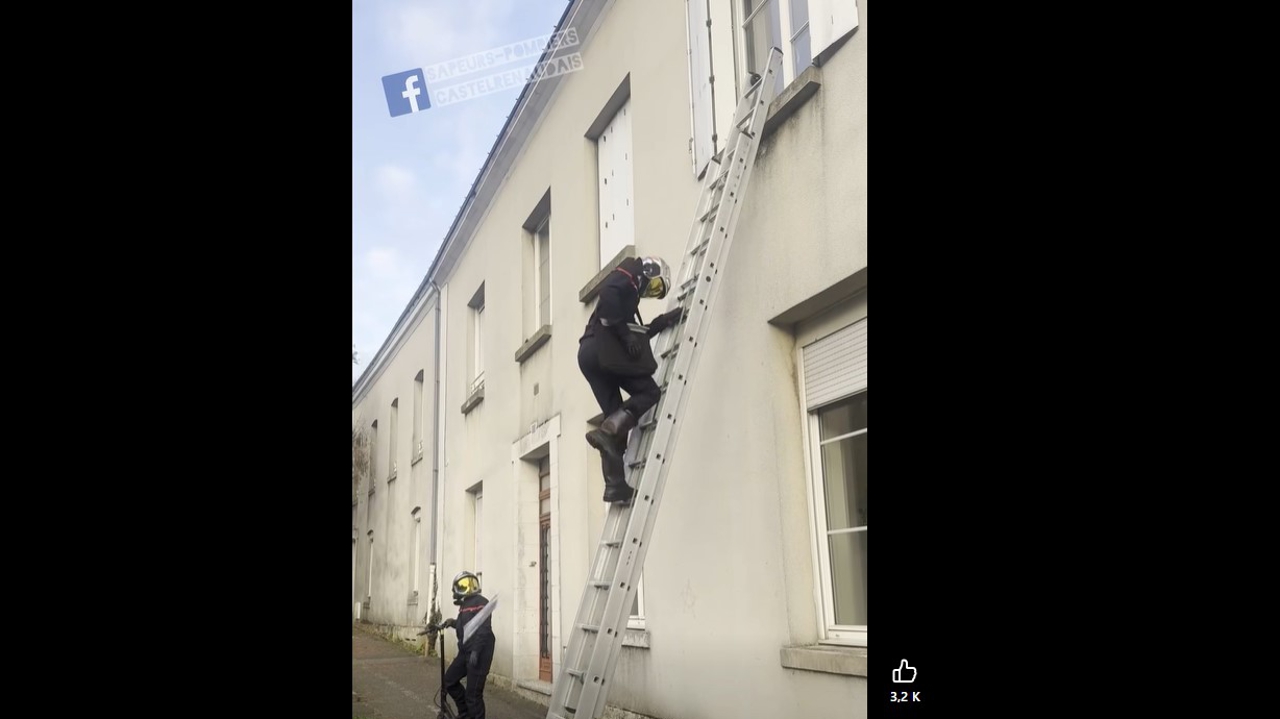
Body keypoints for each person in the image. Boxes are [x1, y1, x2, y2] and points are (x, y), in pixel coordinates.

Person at [578, 255, 685, 503]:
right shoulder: (627, 276)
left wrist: (662, 322)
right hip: (603, 351)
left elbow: (634, 335)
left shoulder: (624, 304)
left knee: (615, 420)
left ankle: (615, 486)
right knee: (650, 393)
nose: (652, 291)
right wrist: (626, 337)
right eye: (655, 286)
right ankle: (607, 431)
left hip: (588, 355)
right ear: (648, 271)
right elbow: (607, 299)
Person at [418, 571, 496, 719]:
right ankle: (465, 713)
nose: (469, 587)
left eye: (471, 583)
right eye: (465, 585)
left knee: (473, 694)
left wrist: (476, 652)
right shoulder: (465, 605)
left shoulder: (482, 602)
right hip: (466, 651)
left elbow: (484, 630)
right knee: (449, 681)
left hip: (479, 654)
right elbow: (467, 626)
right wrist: (452, 623)